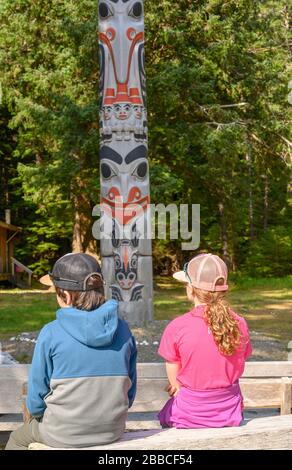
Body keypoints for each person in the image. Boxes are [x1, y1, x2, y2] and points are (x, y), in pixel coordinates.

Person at [6, 253, 137, 450]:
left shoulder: (51, 333)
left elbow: (35, 401)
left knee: (17, 439)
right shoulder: (124, 330)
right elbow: (130, 393)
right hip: (112, 431)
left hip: (61, 433)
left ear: (65, 296)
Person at [158, 253, 252, 429]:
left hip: (188, 415)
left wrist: (178, 386)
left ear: (190, 288)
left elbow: (175, 383)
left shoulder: (177, 326)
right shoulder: (239, 323)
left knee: (166, 416)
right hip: (229, 412)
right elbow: (240, 360)